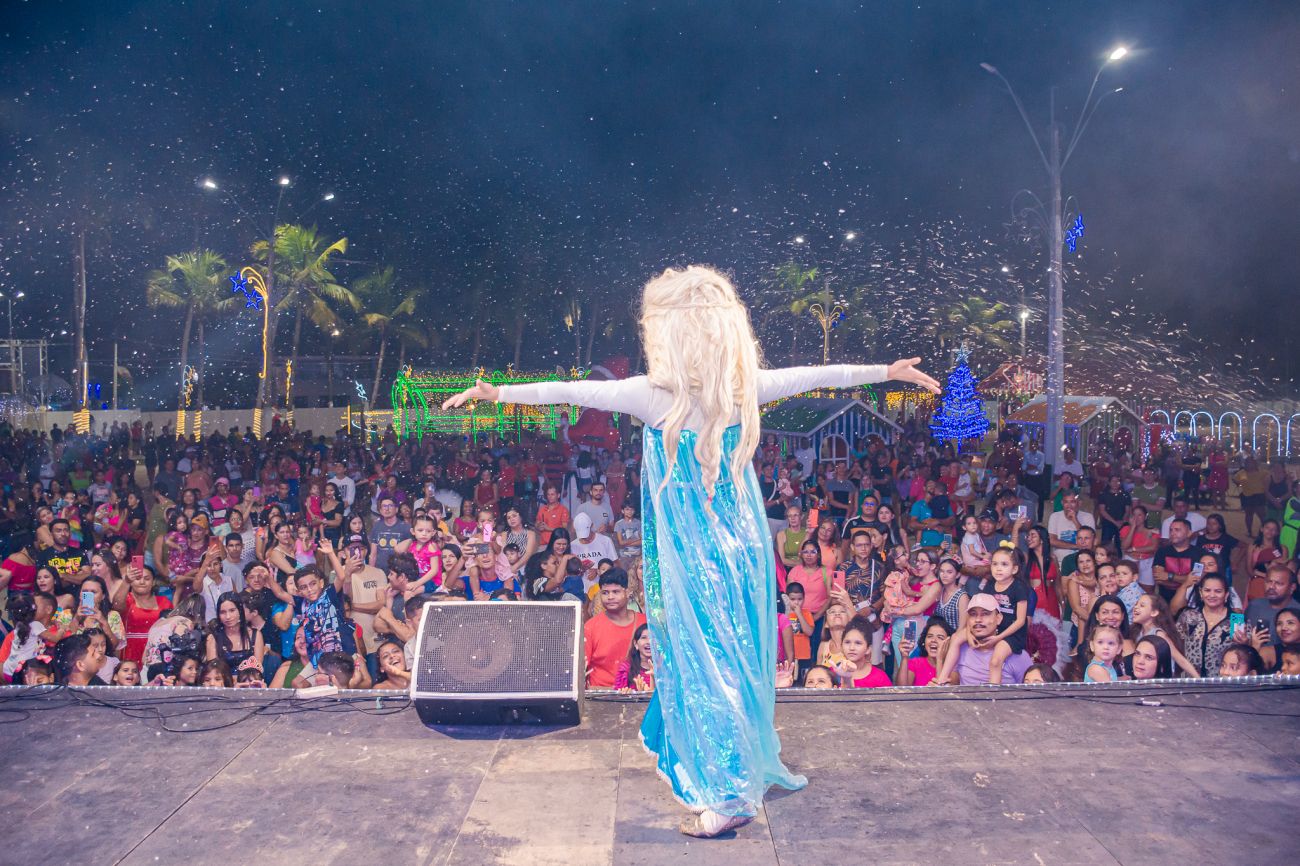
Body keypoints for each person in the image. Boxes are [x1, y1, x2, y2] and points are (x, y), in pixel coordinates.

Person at [443, 264, 939, 836]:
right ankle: (734, 769)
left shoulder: (655, 395)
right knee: (729, 660)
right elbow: (817, 375)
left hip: (693, 558)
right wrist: (885, 371)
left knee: (706, 663)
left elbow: (573, 390)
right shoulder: (740, 389)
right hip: (740, 551)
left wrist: (497, 392)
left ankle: (728, 794)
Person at [934, 593, 1033, 685]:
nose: (978, 620)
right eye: (973, 614)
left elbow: (1029, 693)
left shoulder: (1016, 655)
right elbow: (953, 682)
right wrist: (940, 662)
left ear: (998, 618)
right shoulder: (960, 648)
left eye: (985, 614)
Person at [582, 569, 647, 688]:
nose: (610, 597)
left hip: (638, 693)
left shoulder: (644, 623)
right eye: (605, 593)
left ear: (627, 592)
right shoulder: (590, 627)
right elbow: (581, 668)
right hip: (602, 694)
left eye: (616, 592)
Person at [1175, 574, 1236, 677]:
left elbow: (1243, 655)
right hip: (1190, 681)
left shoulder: (1236, 620)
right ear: (1201, 593)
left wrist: (1244, 643)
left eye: (1218, 591)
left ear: (1226, 595)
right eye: (1207, 590)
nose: (1212, 595)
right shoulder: (1188, 616)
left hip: (1222, 682)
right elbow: (1177, 647)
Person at [1244, 565, 1300, 646]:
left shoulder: (1297, 611)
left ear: (1292, 587)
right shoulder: (1254, 605)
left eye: (1278, 583)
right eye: (1268, 582)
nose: (1271, 587)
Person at [615, 622, 655, 692]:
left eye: (652, 637)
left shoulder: (665, 670)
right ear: (635, 644)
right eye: (644, 638)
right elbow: (617, 695)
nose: (648, 642)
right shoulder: (626, 669)